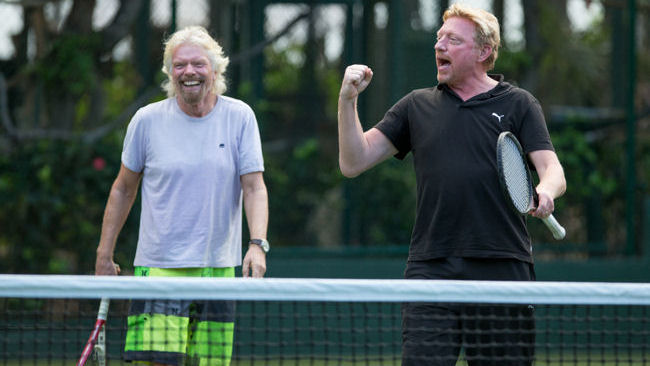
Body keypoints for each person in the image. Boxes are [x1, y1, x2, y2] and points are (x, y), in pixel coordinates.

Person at [337, 3, 566, 366]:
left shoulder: (519, 104)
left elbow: (551, 168)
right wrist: (348, 101)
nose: (439, 45)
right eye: (439, 38)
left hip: (502, 266)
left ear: (483, 51)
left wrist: (546, 191)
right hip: (431, 268)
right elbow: (353, 162)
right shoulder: (416, 106)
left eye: (452, 40)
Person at [95, 25, 269, 366]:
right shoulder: (146, 121)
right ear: (170, 72)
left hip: (218, 272)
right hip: (159, 272)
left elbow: (254, 186)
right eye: (179, 65)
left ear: (215, 68)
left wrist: (257, 244)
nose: (188, 72)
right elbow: (122, 188)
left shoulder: (240, 117)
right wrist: (105, 254)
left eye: (198, 64)